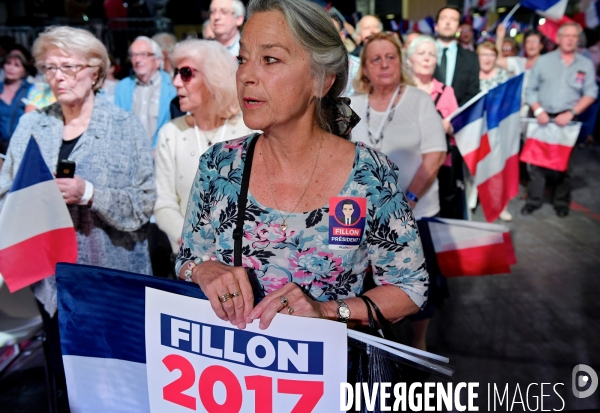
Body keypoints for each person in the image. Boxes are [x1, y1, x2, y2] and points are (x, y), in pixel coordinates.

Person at [177, 0, 428, 337]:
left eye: (270, 59)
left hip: (327, 379)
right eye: (242, 59)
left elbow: (410, 288)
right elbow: (188, 259)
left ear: (321, 80)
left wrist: (327, 311)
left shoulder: (369, 174)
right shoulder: (219, 165)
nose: (247, 75)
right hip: (231, 380)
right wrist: (203, 270)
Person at [0, 26, 156, 410]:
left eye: (69, 66)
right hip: (54, 278)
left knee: (121, 382)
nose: (59, 76)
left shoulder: (124, 126)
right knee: (64, 375)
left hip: (112, 278)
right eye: (50, 67)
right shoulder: (32, 125)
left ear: (96, 71)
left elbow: (143, 205)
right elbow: (9, 190)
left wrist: (89, 193)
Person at [351, 32, 446, 350]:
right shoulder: (352, 104)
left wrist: (409, 199)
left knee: (419, 286)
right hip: (360, 218)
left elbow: (435, 155)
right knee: (364, 285)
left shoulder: (418, 100)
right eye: (375, 58)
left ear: (400, 62)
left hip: (414, 213)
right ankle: (369, 342)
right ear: (364, 68)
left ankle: (418, 341)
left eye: (390, 57)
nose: (384, 64)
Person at [154, 39, 252, 255]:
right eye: (176, 73)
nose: (177, 82)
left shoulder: (249, 129)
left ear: (213, 77)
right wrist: (194, 246)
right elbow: (164, 204)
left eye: (186, 73)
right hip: (191, 264)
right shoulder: (170, 134)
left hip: (246, 259)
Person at [524, 23, 598, 217]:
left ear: (578, 40)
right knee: (536, 163)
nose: (570, 39)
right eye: (566, 35)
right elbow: (530, 89)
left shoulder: (585, 64)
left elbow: (591, 92)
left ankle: (561, 202)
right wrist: (538, 110)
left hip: (568, 120)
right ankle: (533, 200)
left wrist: (572, 112)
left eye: (574, 36)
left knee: (565, 165)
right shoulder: (544, 61)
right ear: (557, 39)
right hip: (542, 117)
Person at [114, 36, 176, 149]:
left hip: (163, 154)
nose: (137, 60)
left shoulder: (172, 85)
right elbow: (117, 125)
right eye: (133, 55)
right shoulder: (122, 87)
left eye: (143, 55)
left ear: (158, 61)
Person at [433, 6, 480, 106]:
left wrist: (455, 115)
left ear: (459, 28)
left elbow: (472, 93)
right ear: (436, 26)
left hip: (457, 117)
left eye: (453, 19)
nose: (448, 22)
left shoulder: (471, 58)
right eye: (443, 18)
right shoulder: (423, 54)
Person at [0, 45, 34, 156]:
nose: (10, 68)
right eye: (8, 63)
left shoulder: (32, 91)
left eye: (16, 65)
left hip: (22, 148)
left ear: (24, 69)